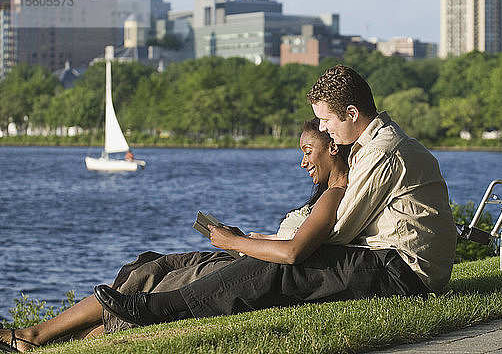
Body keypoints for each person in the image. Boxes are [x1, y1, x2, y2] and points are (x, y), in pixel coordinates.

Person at [89, 64, 456, 328]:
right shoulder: (376, 142)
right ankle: (160, 305)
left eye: (326, 121)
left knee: (283, 267)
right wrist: (257, 241)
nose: (324, 130)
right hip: (397, 264)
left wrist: (250, 243)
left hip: (404, 274)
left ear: (352, 112)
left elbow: (335, 234)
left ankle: (157, 308)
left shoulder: (380, 152)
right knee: (275, 261)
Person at [0, 119, 349, 352]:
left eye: (307, 151)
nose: (303, 162)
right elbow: (289, 241)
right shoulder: (323, 193)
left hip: (253, 265)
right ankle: (49, 337)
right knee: (150, 265)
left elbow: (294, 252)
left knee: (159, 286)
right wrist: (245, 238)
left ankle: (36, 337)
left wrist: (233, 243)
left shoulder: (334, 193)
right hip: (249, 254)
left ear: (333, 148)